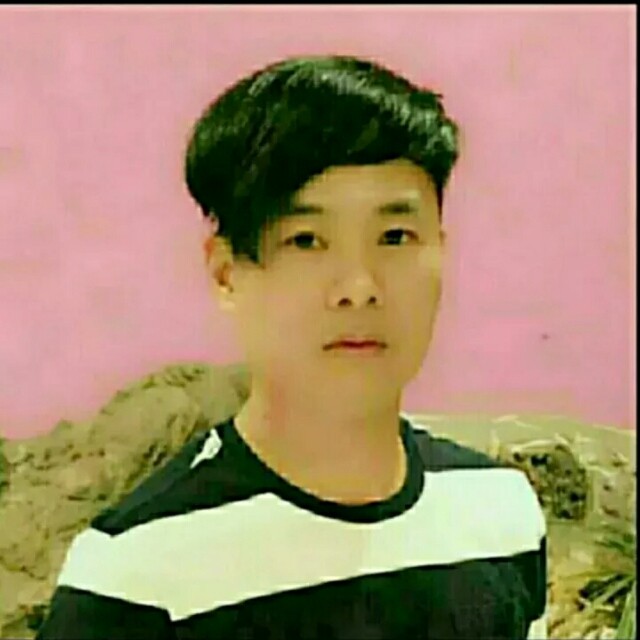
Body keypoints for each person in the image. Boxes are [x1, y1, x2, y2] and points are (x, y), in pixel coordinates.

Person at [36, 54, 548, 639]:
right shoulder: (136, 572)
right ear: (226, 273)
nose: (359, 287)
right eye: (306, 240)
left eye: (395, 236)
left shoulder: (500, 513)